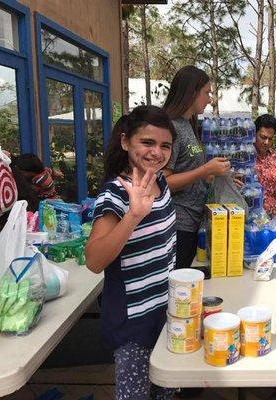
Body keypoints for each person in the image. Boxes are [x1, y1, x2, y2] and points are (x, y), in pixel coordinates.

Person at [85, 105, 177, 400]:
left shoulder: (160, 182)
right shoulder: (114, 194)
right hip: (134, 324)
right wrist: (133, 215)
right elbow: (94, 260)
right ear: (126, 142)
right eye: (147, 142)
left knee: (165, 390)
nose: (157, 153)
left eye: (165, 145)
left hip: (168, 313)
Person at [162, 66, 230, 269]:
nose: (210, 99)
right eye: (206, 92)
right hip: (177, 224)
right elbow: (161, 183)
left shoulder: (187, 125)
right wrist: (205, 170)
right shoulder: (170, 127)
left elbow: (188, 172)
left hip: (193, 221)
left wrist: (216, 177)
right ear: (191, 92)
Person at [254, 113, 276, 221]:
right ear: (254, 133)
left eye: (270, 139)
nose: (266, 142)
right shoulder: (245, 158)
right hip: (253, 219)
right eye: (263, 137)